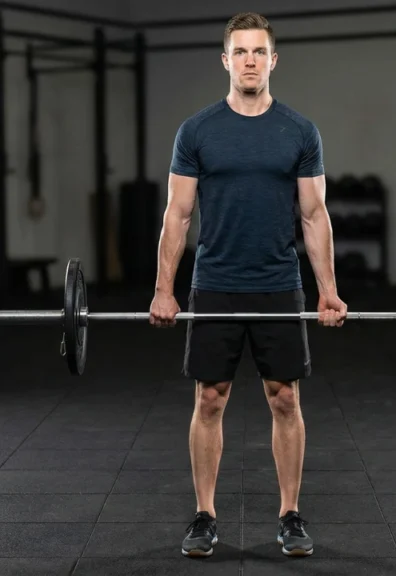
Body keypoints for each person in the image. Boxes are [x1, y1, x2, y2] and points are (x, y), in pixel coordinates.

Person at [148, 12, 346, 559]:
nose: (251, 61)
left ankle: (289, 514)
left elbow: (314, 215)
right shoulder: (197, 131)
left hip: (279, 284)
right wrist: (165, 289)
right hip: (214, 283)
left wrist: (327, 289)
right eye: (241, 52)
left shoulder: (301, 132)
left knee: (284, 398)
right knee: (209, 398)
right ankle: (204, 515)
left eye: (260, 52)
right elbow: (178, 215)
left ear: (273, 60)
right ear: (226, 60)